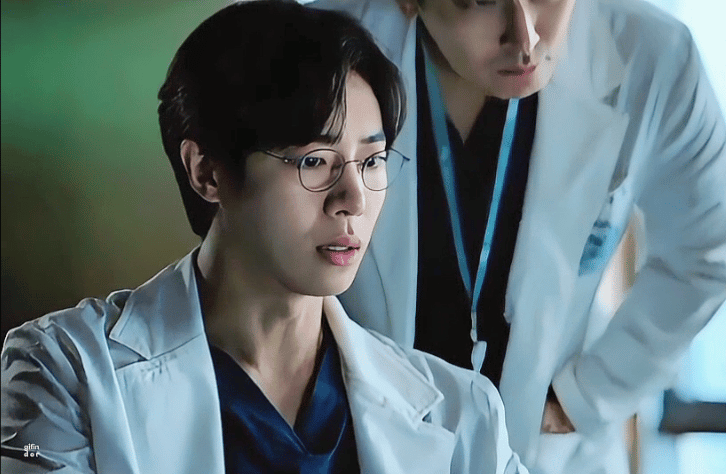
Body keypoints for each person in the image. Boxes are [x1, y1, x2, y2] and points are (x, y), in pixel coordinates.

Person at [0, 2, 527, 473]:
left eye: (372, 161)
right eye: (314, 161)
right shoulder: (62, 373)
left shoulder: (462, 413)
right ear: (207, 171)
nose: (354, 198)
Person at [303, 0, 726, 472]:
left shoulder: (651, 56)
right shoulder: (314, 51)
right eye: (481, 2)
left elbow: (709, 246)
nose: (526, 39)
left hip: (548, 451)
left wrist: (583, 398)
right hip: (363, 435)